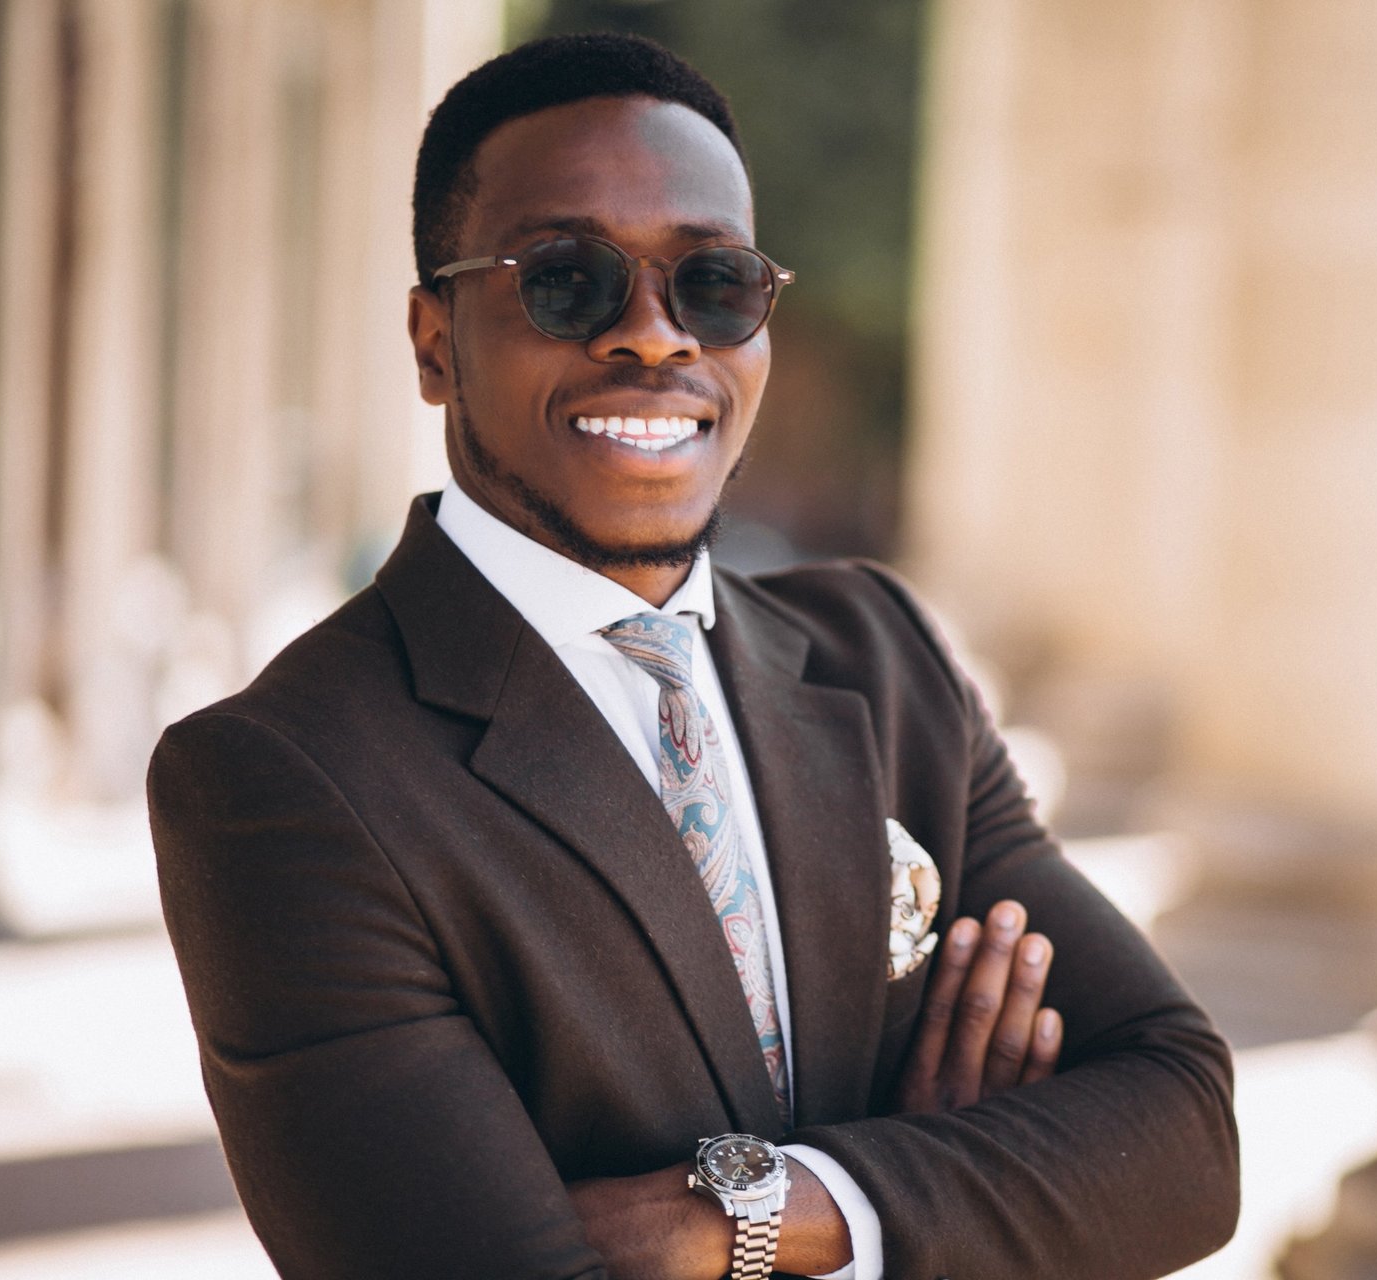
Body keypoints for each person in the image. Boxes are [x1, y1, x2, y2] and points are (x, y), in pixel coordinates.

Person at [149, 32, 1238, 1280]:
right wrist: (954, 1194)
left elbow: (1186, 1134)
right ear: (434, 338)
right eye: (569, 279)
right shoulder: (285, 778)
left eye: (713, 282)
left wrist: (745, 1214)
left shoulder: (881, 658)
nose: (657, 339)